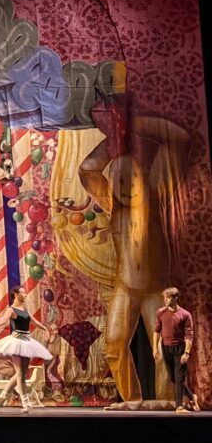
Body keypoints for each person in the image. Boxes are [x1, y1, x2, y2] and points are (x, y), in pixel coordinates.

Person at [79, 112, 189, 403]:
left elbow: (180, 140)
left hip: (156, 288)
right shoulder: (112, 204)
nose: (122, 186)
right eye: (116, 180)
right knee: (114, 346)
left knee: (166, 348)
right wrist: (115, 136)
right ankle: (133, 400)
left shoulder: (157, 192)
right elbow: (88, 168)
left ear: (143, 176)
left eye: (129, 179)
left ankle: (167, 403)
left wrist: (135, 125)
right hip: (125, 287)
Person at [0, 286, 53, 413]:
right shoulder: (11, 310)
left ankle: (2, 397)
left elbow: (34, 321)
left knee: (21, 373)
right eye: (23, 293)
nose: (26, 295)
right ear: (16, 294)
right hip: (16, 342)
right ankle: (25, 403)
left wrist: (44, 328)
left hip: (27, 341)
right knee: (20, 373)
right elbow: (3, 320)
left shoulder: (25, 309)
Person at [153, 287, 200, 414]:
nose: (165, 300)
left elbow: (189, 335)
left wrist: (186, 353)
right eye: (164, 298)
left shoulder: (185, 314)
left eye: (167, 298)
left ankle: (179, 406)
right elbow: (156, 331)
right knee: (173, 378)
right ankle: (192, 396)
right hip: (166, 347)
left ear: (175, 298)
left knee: (179, 378)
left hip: (180, 348)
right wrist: (155, 348)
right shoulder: (161, 312)